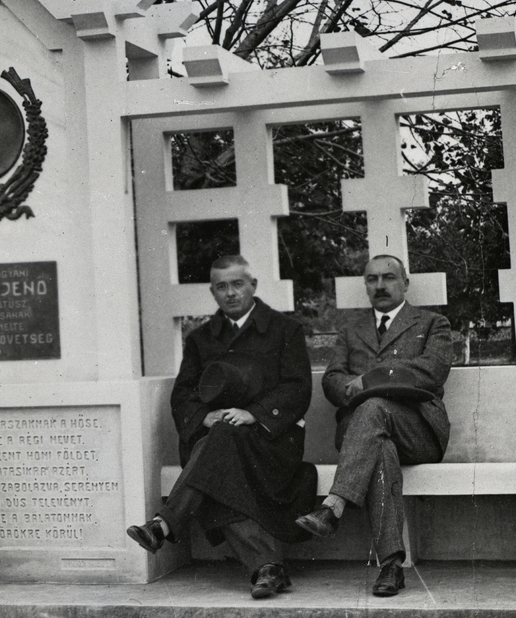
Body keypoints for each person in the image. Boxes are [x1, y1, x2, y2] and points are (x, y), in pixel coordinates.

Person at [125, 254, 317, 598]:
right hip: (218, 439)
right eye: (221, 286)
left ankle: (164, 523)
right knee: (221, 445)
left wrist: (254, 413)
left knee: (217, 453)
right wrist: (204, 416)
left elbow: (297, 388)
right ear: (212, 292)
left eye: (237, 284)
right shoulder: (201, 339)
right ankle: (267, 568)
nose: (230, 293)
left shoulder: (285, 329)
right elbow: (183, 393)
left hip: (271, 442)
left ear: (253, 285)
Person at [295, 254, 453, 598]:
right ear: (365, 285)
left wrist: (369, 381)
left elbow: (431, 372)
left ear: (405, 283)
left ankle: (334, 505)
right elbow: (332, 380)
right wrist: (351, 387)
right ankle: (391, 566)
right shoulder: (351, 331)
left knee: (373, 406)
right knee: (380, 449)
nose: (380, 285)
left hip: (418, 430)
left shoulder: (432, 323)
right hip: (366, 436)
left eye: (388, 277)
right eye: (372, 279)